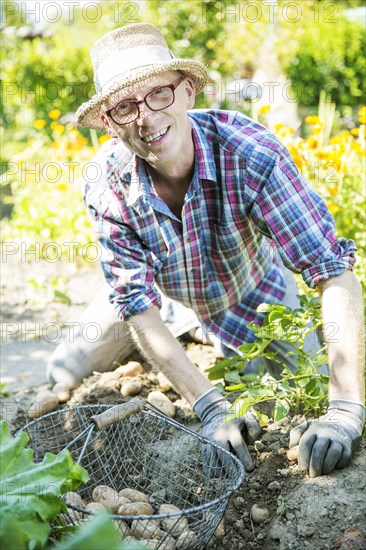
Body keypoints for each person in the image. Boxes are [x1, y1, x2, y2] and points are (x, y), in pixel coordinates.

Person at [47, 23, 365, 478]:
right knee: (62, 371)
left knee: (288, 405)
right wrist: (210, 406)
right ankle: (174, 347)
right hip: (165, 301)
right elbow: (135, 302)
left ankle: (197, 349)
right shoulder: (106, 185)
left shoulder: (252, 155)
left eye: (159, 93)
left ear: (188, 91)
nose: (146, 118)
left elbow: (332, 271)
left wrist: (346, 408)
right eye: (124, 106)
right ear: (108, 123)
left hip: (253, 298)